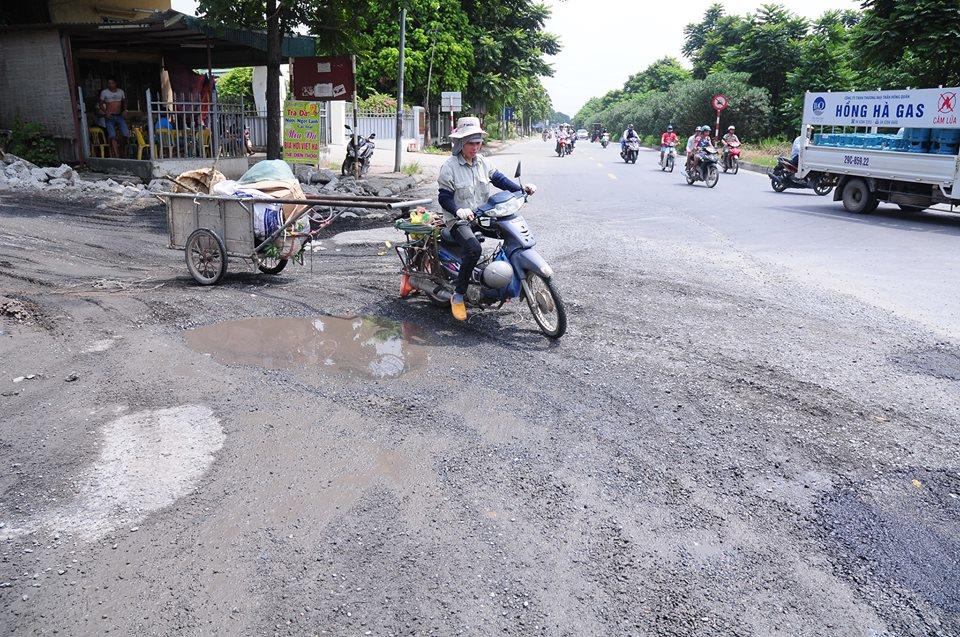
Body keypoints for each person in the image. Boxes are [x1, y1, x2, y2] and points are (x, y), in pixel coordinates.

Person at [437, 116, 538, 321]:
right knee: (474, 249)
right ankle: (458, 294)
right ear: (460, 144)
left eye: (478, 142)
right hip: (459, 220)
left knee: (511, 234)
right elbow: (444, 197)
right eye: (471, 143)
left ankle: (502, 280)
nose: (475, 147)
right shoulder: (449, 167)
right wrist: (458, 211)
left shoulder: (483, 162)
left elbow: (499, 180)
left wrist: (521, 189)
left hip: (482, 214)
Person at [98, 77, 130, 158]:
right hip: (110, 117)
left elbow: (124, 101)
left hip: (119, 116)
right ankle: (116, 155)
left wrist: (125, 110)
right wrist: (106, 112)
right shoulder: (104, 92)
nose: (110, 85)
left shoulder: (120, 92)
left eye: (112, 83)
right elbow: (100, 104)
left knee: (126, 134)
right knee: (112, 135)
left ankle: (122, 150)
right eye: (109, 83)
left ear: (116, 83)